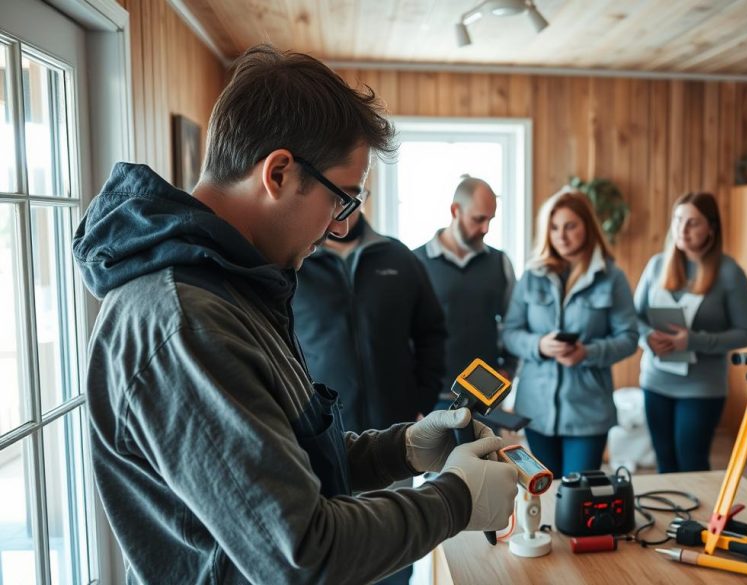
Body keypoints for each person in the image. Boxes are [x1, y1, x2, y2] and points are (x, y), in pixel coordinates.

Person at [72, 44, 516, 584]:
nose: (340, 227)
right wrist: (455, 500)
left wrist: (398, 449)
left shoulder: (239, 288)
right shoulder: (185, 321)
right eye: (341, 200)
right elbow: (303, 555)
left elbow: (285, 465)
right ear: (278, 173)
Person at [502, 188, 638, 478]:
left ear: (587, 227)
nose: (561, 235)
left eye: (570, 226)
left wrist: (587, 353)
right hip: (535, 411)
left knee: (578, 499)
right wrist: (539, 345)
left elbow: (629, 338)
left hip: (588, 412)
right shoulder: (531, 275)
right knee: (544, 495)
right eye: (553, 228)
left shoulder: (611, 277)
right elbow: (510, 332)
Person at [294, 209, 446, 434]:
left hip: (397, 428)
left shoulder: (399, 256)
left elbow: (431, 332)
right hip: (322, 430)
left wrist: (423, 400)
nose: (339, 207)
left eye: (349, 197)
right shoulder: (294, 263)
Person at [634, 192, 747, 473]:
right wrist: (647, 338)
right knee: (664, 464)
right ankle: (671, 518)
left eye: (693, 223)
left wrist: (692, 341)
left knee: (692, 464)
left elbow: (746, 333)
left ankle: (697, 519)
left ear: (711, 228)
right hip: (655, 381)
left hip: (702, 388)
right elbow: (634, 318)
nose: (682, 229)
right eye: (678, 220)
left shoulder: (729, 273)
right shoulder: (656, 265)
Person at [413, 176, 517, 410]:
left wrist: (509, 369)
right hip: (433, 397)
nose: (485, 229)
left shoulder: (500, 262)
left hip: (485, 397)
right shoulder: (415, 262)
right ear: (455, 210)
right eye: (478, 219)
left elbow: (514, 323)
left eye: (490, 220)